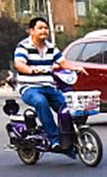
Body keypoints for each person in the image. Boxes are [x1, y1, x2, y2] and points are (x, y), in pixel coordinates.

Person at [12, 16, 84, 150]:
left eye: (46, 28)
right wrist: (31, 70)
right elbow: (19, 64)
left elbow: (63, 62)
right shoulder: (23, 46)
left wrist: (75, 68)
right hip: (30, 88)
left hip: (49, 86)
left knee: (67, 105)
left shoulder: (51, 47)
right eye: (40, 28)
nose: (44, 31)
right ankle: (54, 139)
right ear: (31, 31)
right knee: (41, 102)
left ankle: (69, 138)